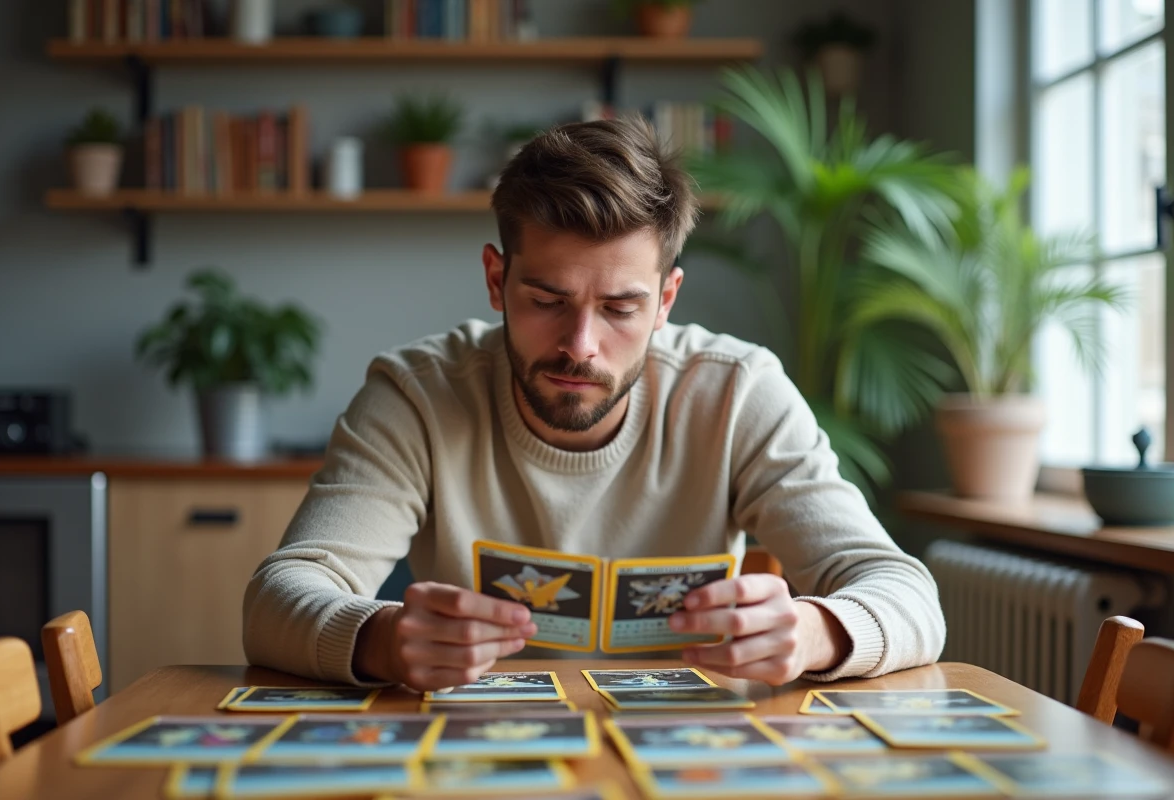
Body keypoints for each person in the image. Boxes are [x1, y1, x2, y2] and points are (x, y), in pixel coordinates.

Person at [243, 114, 945, 692]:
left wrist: (817, 632)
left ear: (666, 300)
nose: (582, 344)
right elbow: (277, 598)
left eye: (620, 307)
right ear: (496, 279)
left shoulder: (736, 392)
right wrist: (381, 639)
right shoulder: (417, 395)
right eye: (547, 300)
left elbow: (904, 593)